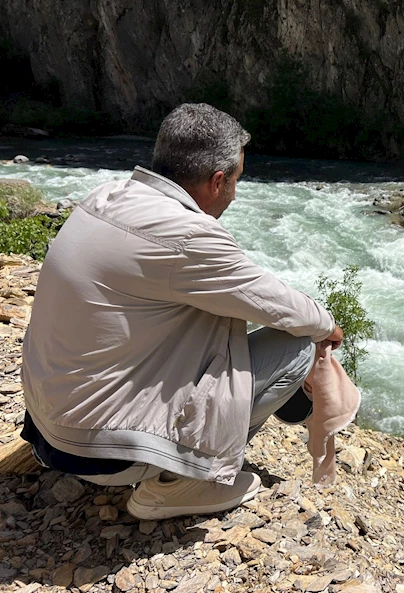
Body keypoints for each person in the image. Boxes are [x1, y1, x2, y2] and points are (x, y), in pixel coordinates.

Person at [21, 103, 344, 520]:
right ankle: (181, 483)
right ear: (217, 181)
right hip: (99, 454)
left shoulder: (105, 195)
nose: (235, 193)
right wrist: (329, 327)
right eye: (236, 180)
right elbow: (280, 306)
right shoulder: (188, 235)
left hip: (46, 427)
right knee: (297, 347)